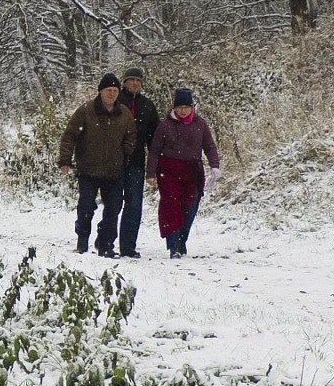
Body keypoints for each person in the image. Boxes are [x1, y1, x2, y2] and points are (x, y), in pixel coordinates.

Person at [57, 72, 138, 256]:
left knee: (114, 208)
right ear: (100, 91)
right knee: (86, 207)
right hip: (88, 170)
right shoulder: (86, 111)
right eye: (108, 90)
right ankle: (82, 241)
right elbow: (70, 135)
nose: (112, 94)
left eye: (115, 90)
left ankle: (105, 243)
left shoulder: (124, 113)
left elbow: (132, 134)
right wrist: (65, 160)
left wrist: (126, 150)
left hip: (114, 171)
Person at [148, 87, 219, 258]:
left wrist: (214, 165)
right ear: (174, 108)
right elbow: (155, 150)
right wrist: (150, 173)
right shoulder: (165, 125)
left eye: (186, 107)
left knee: (190, 206)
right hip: (168, 170)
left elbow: (209, 146)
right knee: (171, 206)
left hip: (192, 171)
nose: (183, 110)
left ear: (192, 107)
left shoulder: (200, 124)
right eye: (179, 107)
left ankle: (181, 240)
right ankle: (174, 246)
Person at [118, 66, 160, 258]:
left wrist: (156, 165)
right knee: (113, 204)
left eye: (138, 80)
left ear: (142, 84)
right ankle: (105, 242)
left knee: (134, 205)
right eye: (131, 80)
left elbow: (154, 139)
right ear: (125, 82)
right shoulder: (116, 102)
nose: (134, 83)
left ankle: (127, 247)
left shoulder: (148, 106)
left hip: (136, 163)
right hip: (114, 162)